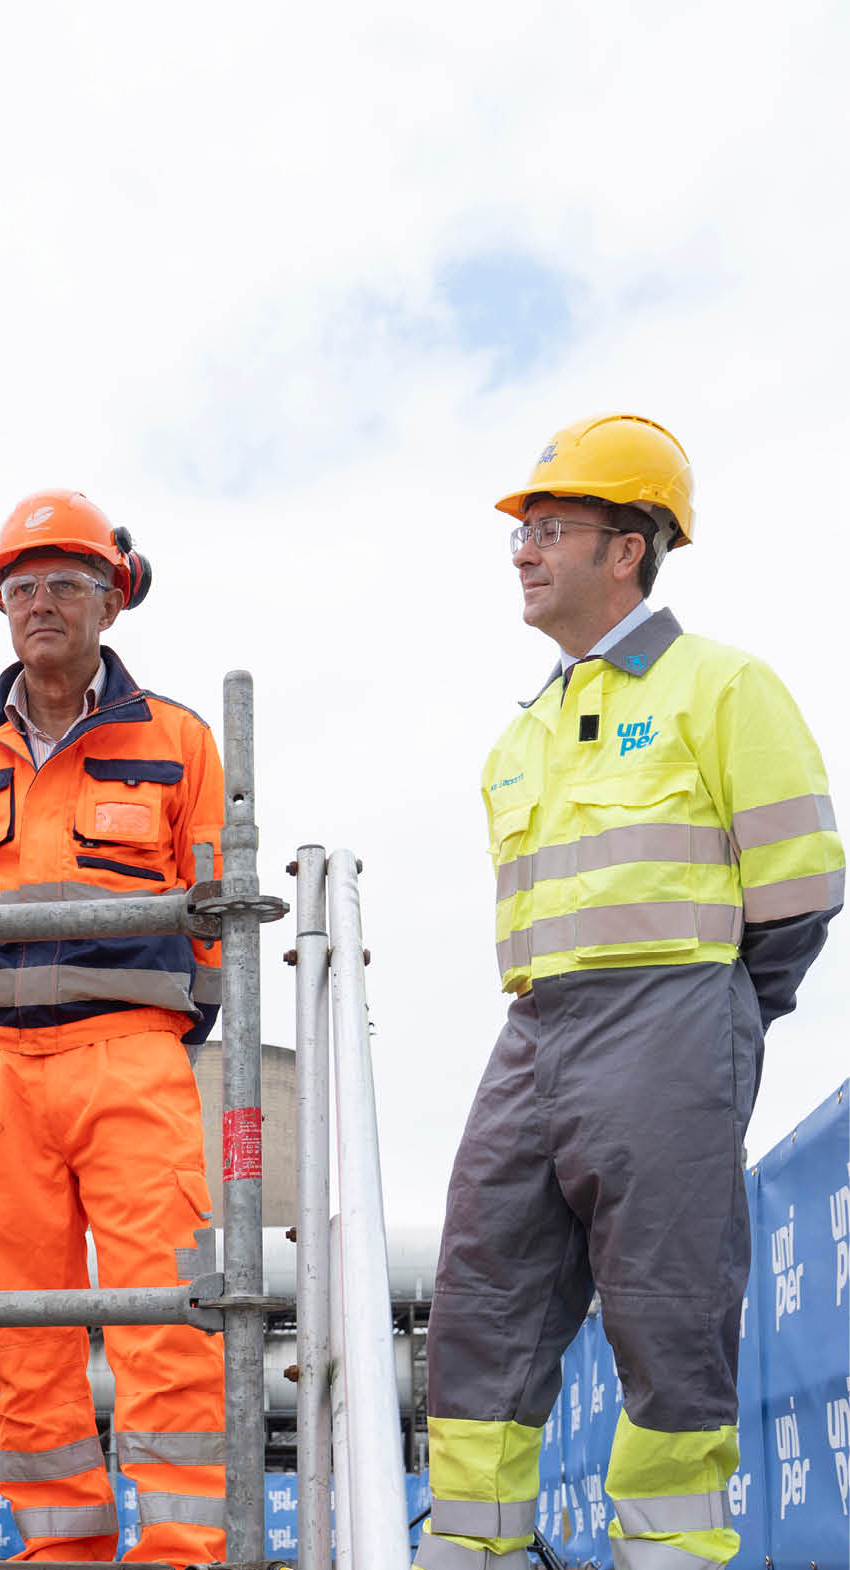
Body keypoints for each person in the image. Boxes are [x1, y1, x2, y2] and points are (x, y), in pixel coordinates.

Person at [417, 415, 842, 1570]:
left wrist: (716, 1019)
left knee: (668, 1307)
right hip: (533, 1028)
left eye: (550, 527)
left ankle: (668, 1554)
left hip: (672, 1018)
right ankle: (473, 1549)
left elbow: (800, 889)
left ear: (629, 547)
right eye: (521, 532)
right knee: (480, 1296)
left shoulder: (724, 685)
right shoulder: (522, 736)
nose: (524, 549)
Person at [0, 490, 226, 1565]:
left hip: (130, 1055)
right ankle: (61, 1551)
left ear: (113, 598)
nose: (39, 603)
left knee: (166, 1314)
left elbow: (211, 916)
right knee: (22, 1329)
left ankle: (182, 1551)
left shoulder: (179, 739)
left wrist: (154, 1024)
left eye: (63, 582)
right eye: (20, 586)